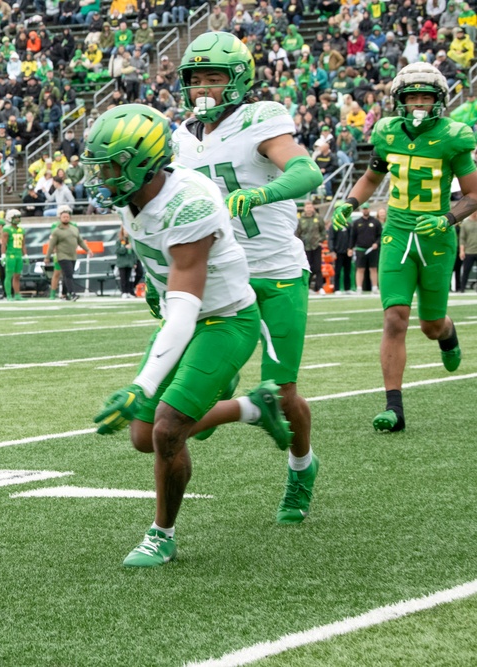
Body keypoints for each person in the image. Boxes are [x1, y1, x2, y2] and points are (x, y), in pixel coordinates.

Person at [86, 104, 292, 568]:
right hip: (185, 315)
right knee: (144, 436)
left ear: (143, 163)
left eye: (111, 164)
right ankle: (252, 408)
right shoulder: (132, 194)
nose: (102, 174)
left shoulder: (188, 203)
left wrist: (141, 384)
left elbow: (185, 310)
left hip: (225, 321)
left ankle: (162, 534)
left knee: (165, 429)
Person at [172, 32, 323, 524]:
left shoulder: (261, 118)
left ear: (237, 79)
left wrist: (261, 195)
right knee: (194, 395)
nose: (203, 89)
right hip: (219, 276)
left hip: (276, 270)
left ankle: (301, 466)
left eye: (214, 77)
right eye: (194, 79)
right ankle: (225, 385)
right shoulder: (179, 137)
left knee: (282, 393)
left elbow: (306, 173)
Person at [332, 62, 477, 432]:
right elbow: (370, 177)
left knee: (430, 325)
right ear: (399, 99)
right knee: (394, 317)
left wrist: (447, 219)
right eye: (411, 95)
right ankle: (393, 408)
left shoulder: (453, 137)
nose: (418, 103)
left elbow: (474, 193)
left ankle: (447, 333)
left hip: (436, 236)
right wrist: (348, 204)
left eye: (425, 96)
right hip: (396, 233)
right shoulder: (388, 134)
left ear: (438, 101)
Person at [46, 205, 93, 301]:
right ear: (60, 216)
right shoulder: (56, 228)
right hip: (61, 254)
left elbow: (80, 240)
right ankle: (69, 293)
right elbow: (51, 244)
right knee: (62, 274)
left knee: (68, 275)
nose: (66, 218)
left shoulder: (74, 227)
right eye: (64, 216)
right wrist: (48, 256)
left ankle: (64, 294)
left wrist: (87, 250)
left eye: (67, 216)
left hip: (72, 255)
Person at [296, 202, 328, 293]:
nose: (309, 209)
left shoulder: (318, 218)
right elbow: (297, 233)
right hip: (305, 247)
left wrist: (320, 240)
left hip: (316, 246)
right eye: (307, 207)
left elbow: (323, 231)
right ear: (305, 208)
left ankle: (320, 287)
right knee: (307, 267)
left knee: (318, 267)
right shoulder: (301, 220)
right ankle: (308, 287)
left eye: (310, 207)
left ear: (313, 208)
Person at [349, 204, 381, 293]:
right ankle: (359, 287)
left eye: (366, 209)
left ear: (369, 209)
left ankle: (374, 287)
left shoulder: (375, 222)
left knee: (373, 268)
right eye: (363, 209)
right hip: (360, 249)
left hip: (372, 249)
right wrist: (350, 248)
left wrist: (376, 243)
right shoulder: (356, 223)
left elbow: (380, 235)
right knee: (360, 269)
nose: (365, 210)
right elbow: (353, 236)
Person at [1, 209, 27, 300]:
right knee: (9, 275)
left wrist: (25, 255)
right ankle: (8, 295)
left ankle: (17, 294)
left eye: (18, 217)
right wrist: (3, 255)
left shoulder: (21, 229)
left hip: (18, 254)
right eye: (15, 217)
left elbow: (23, 244)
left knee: (17, 275)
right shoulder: (7, 229)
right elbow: (4, 243)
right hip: (10, 255)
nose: (17, 219)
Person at [115, 234, 137, 298]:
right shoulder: (119, 241)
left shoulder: (131, 241)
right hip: (121, 263)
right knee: (123, 278)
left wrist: (134, 262)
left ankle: (128, 292)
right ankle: (124, 292)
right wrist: (125, 248)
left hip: (129, 263)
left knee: (128, 278)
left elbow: (134, 253)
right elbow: (117, 251)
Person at [460, 214, 477, 292]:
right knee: (466, 270)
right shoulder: (465, 223)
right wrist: (462, 251)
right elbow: (462, 238)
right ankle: (462, 289)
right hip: (469, 251)